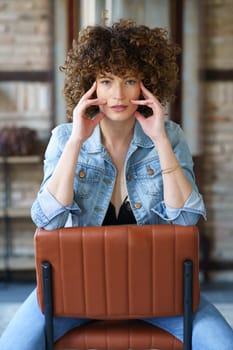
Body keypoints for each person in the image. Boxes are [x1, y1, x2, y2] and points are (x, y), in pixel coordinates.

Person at [0, 18, 233, 350]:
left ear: (146, 85)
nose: (118, 95)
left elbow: (186, 219)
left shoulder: (172, 136)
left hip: (157, 289)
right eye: (106, 81)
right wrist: (78, 139)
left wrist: (160, 140)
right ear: (90, 85)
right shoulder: (65, 138)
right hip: (74, 288)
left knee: (223, 343)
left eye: (129, 80)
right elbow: (47, 219)